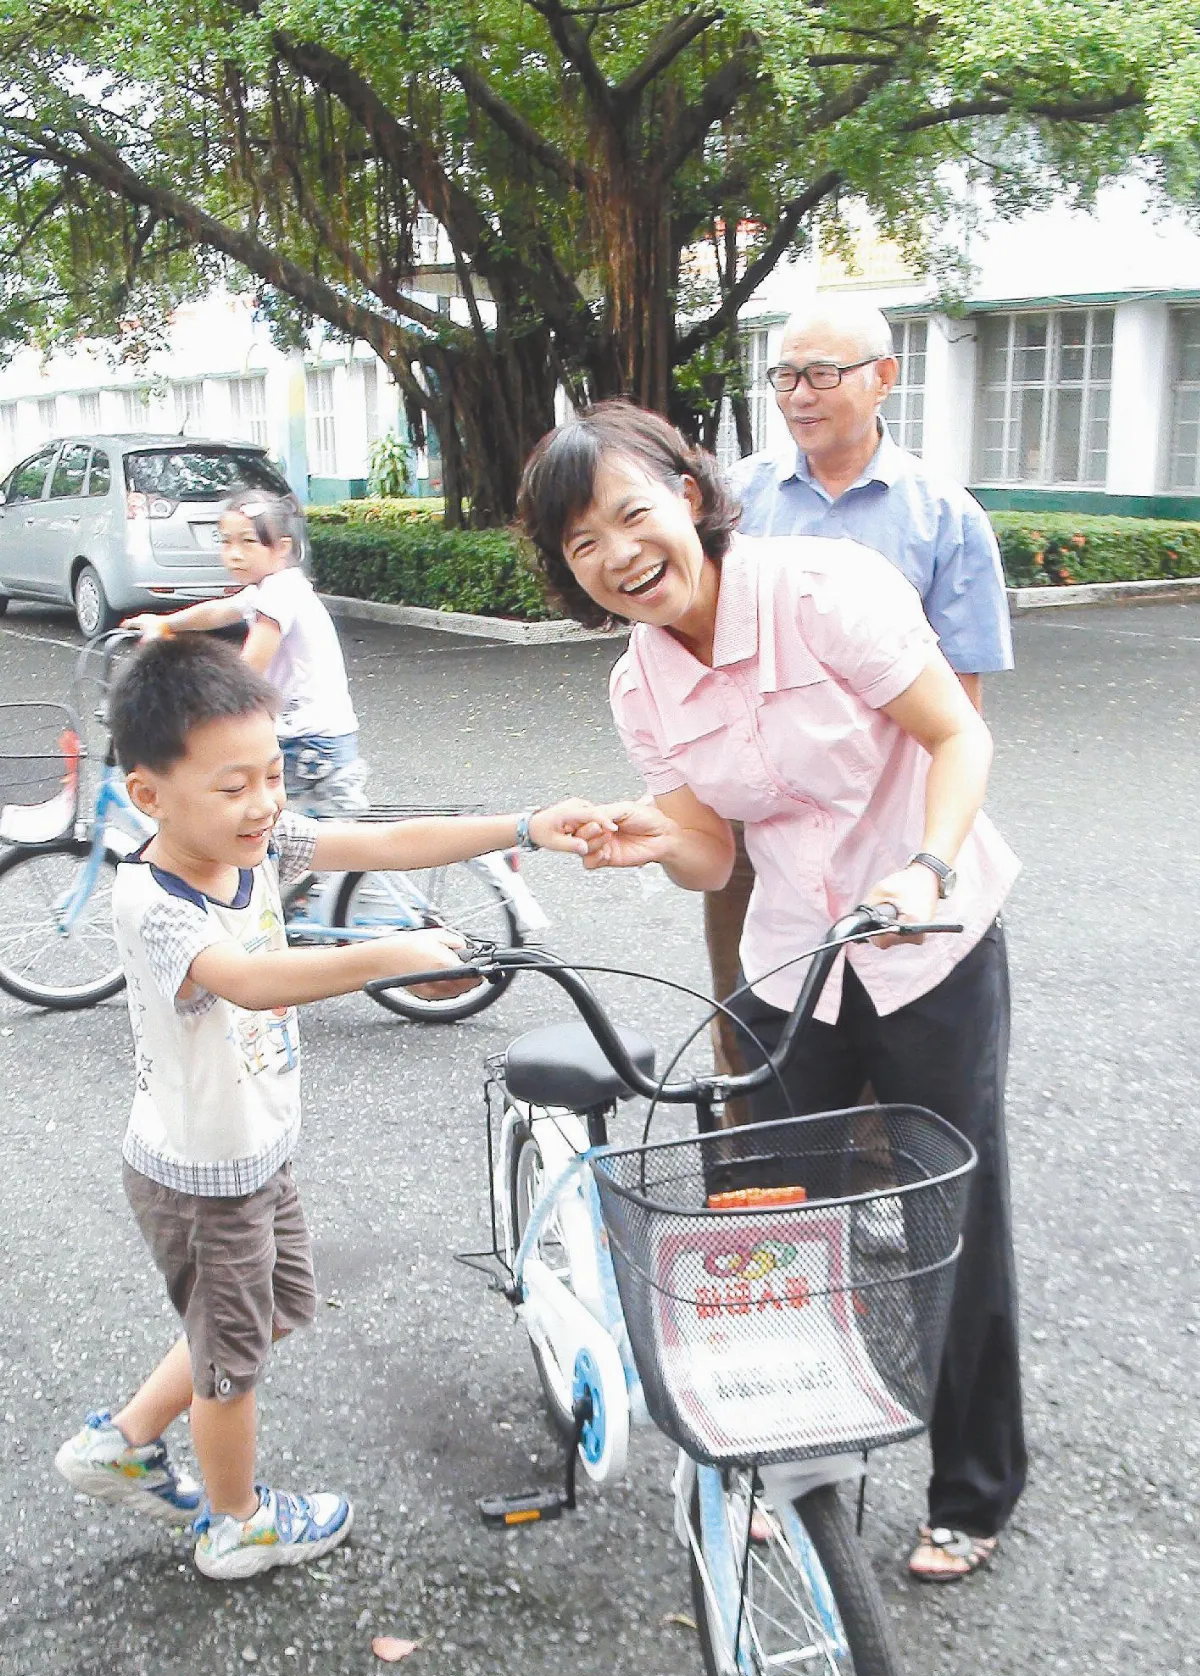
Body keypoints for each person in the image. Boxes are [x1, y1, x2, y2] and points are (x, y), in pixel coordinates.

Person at [517, 400, 1023, 1584]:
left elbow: (960, 740)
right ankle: (792, 1464)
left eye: (630, 515)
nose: (618, 555)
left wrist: (929, 863)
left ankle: (972, 1489)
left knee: (955, 1211)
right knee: (776, 1212)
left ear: (689, 497)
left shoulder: (819, 592)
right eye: (583, 545)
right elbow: (712, 850)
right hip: (793, 956)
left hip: (929, 942)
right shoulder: (639, 685)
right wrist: (655, 839)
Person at [53, 636, 608, 1582]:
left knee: (258, 1317)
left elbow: (389, 841)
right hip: (203, 1184)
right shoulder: (155, 902)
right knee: (233, 1366)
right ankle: (237, 1526)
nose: (264, 803)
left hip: (254, 1155)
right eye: (233, 787)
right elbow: (252, 981)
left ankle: (125, 1443)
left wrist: (524, 826)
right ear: (149, 796)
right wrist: (391, 956)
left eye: (272, 774)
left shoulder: (256, 842)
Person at [707, 294, 1014, 1078]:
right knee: (760, 1043)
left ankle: (881, 1166)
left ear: (883, 378)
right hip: (761, 822)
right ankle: (772, 1183)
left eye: (821, 374)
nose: (798, 396)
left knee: (901, 1039)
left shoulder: (944, 518)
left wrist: (926, 857)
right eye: (783, 376)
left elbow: (959, 713)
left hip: (888, 828)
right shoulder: (735, 504)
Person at [132, 488, 369, 818]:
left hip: (306, 742)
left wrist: (197, 703)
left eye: (248, 542)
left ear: (282, 547)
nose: (234, 553)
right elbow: (218, 611)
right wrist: (165, 623)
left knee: (261, 829)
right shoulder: (272, 587)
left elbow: (251, 667)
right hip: (318, 737)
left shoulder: (279, 593)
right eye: (226, 541)